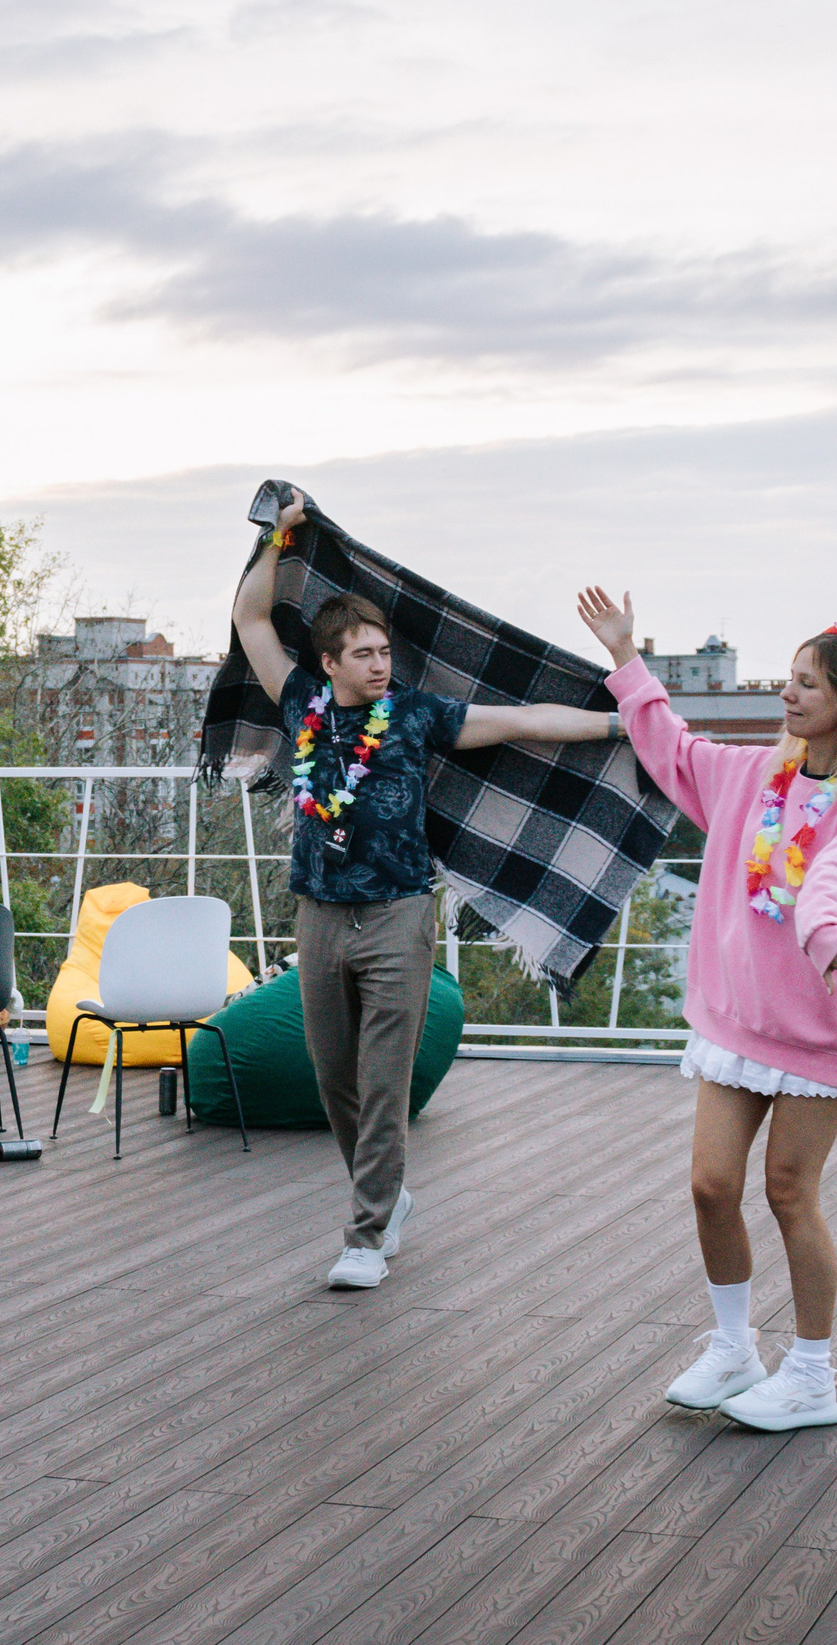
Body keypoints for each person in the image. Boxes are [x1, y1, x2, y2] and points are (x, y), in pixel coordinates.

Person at [230, 496, 629, 1290]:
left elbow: (525, 722)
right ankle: (387, 1194)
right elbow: (249, 618)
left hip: (399, 913)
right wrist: (277, 533)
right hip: (318, 913)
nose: (381, 663)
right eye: (365, 653)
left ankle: (367, 1232)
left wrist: (621, 723)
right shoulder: (301, 705)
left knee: (383, 1078)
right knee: (333, 1074)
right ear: (332, 661)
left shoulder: (414, 716)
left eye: (385, 651)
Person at [579, 587, 837, 1432]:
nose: (786, 694)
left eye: (804, 684)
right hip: (739, 1017)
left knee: (790, 1190)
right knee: (710, 1185)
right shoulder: (755, 773)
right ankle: (734, 1349)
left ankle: (811, 1375)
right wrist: (625, 655)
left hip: (820, 1018)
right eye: (788, 679)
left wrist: (826, 930)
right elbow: (673, 750)